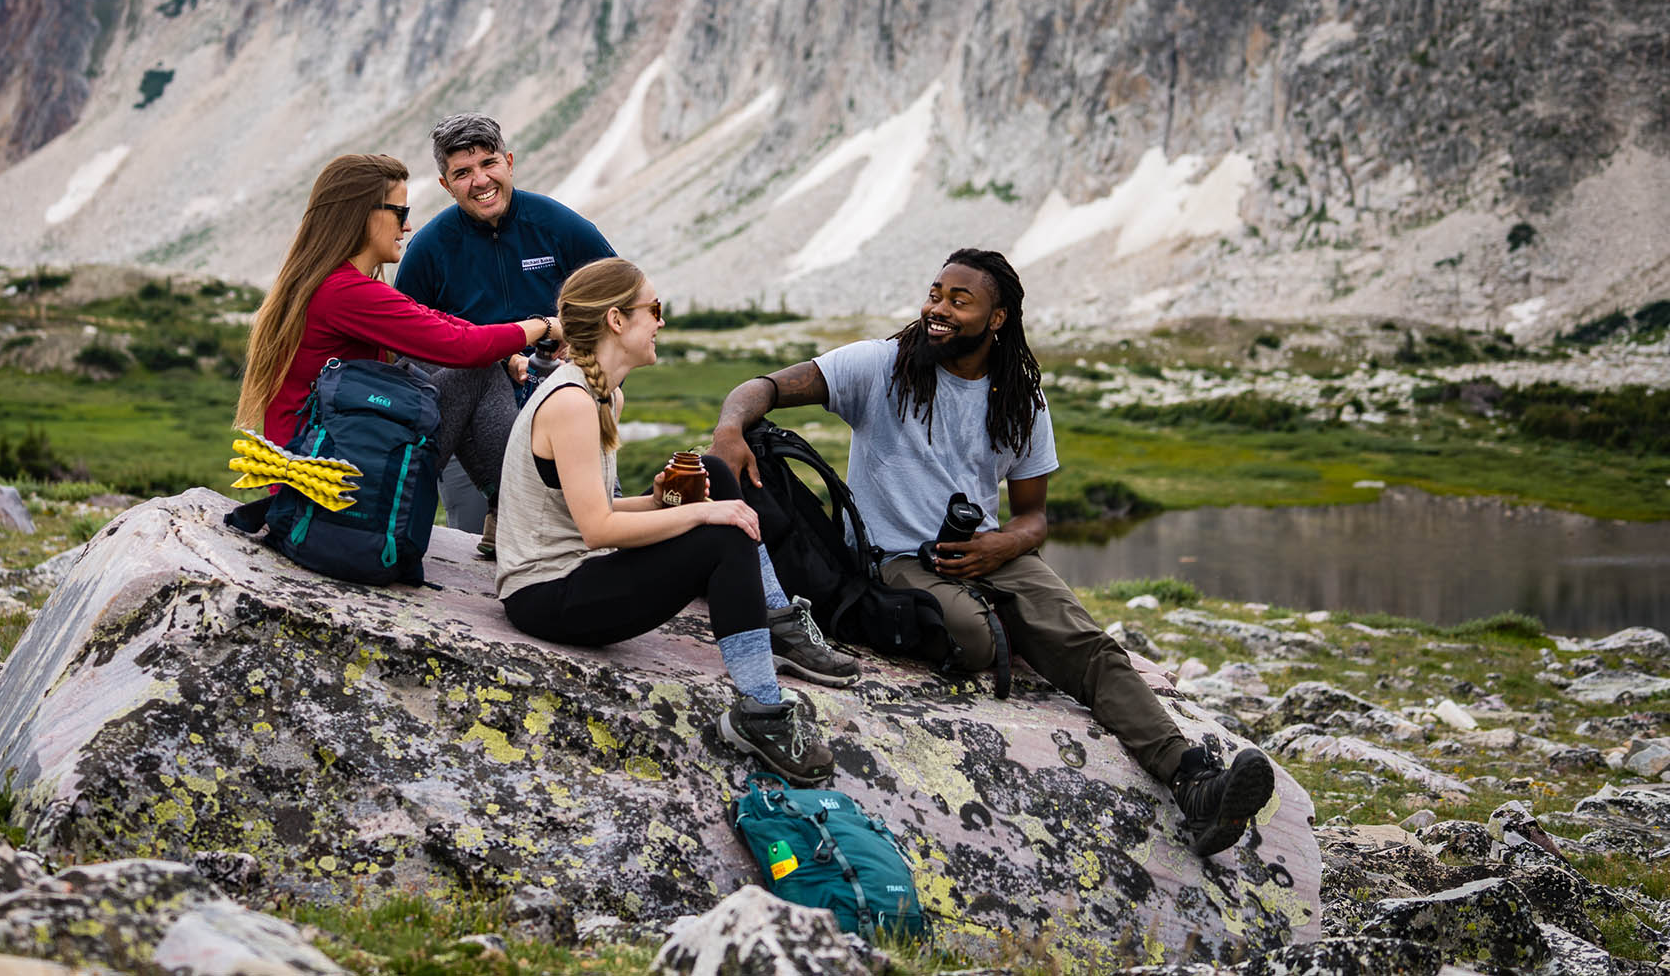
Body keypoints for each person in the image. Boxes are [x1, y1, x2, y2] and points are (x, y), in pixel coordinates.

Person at [709, 248, 1276, 856]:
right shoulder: (881, 365)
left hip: (989, 551)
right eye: (935, 294)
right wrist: (729, 429)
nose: (938, 309)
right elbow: (762, 388)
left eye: (959, 300)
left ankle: (1195, 784)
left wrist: (1004, 541)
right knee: (976, 639)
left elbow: (1035, 517)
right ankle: (1009, 630)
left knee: (1089, 646)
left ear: (997, 318)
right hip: (893, 558)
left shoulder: (1021, 400)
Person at [494, 258, 845, 784]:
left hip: (578, 571)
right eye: (653, 310)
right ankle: (761, 710)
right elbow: (598, 531)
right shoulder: (571, 402)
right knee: (723, 534)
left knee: (713, 474)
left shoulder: (604, 392)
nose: (660, 322)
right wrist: (703, 514)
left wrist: (666, 502)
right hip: (544, 595)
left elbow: (599, 510)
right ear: (617, 321)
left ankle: (775, 619)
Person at [234, 153, 559, 466]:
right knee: (478, 371)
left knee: (424, 361)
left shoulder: (328, 283)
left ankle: (503, 506)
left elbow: (435, 321)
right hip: (332, 479)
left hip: (324, 460)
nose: (407, 227)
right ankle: (517, 506)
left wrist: (507, 353)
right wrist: (544, 326)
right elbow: (463, 349)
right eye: (400, 214)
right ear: (365, 215)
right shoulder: (344, 292)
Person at [395, 114, 617, 558]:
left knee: (582, 544)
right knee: (478, 551)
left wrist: (589, 359)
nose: (480, 181)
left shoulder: (559, 226)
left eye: (489, 163)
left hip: (569, 420)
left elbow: (621, 304)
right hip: (467, 436)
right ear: (445, 184)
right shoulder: (429, 249)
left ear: (509, 162)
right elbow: (406, 350)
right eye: (462, 172)